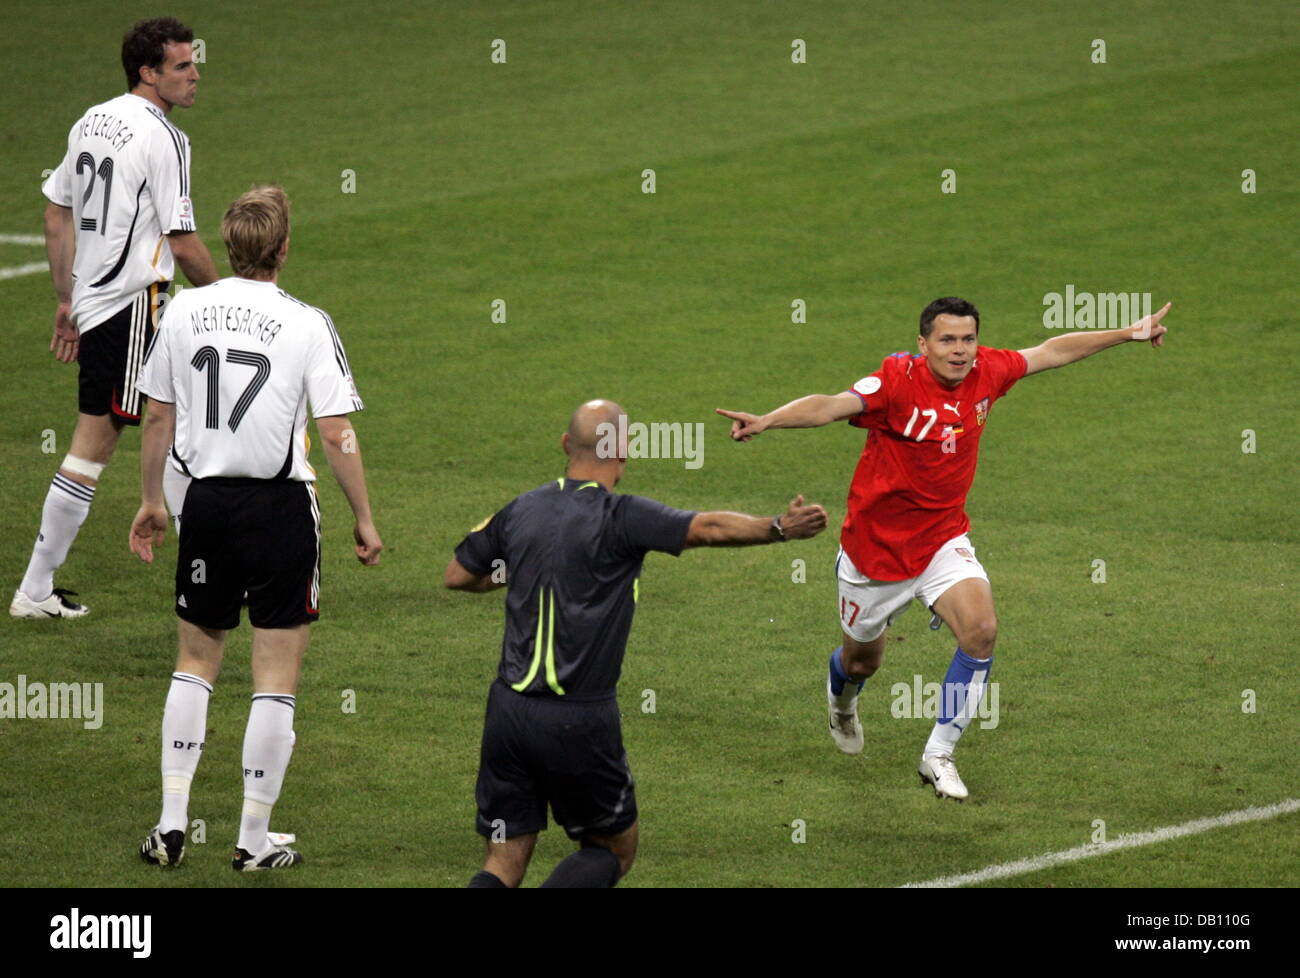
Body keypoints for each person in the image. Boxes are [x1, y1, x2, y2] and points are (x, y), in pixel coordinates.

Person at [716, 296, 1171, 801]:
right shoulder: (895, 382)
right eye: (947, 340)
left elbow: (1051, 351)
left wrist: (1127, 333)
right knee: (862, 662)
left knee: (981, 630)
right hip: (876, 553)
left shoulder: (989, 370)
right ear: (923, 344)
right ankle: (841, 700)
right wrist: (767, 420)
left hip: (942, 538)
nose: (960, 351)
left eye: (968, 339)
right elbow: (830, 404)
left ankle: (939, 753)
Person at [446, 399, 828, 887]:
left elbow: (459, 574)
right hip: (578, 718)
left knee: (502, 859)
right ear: (624, 451)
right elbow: (707, 528)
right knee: (612, 849)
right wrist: (779, 527)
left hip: (507, 713)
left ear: (566, 445)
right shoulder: (623, 517)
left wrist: (527, 568)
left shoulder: (522, 507)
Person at [129, 185, 383, 871]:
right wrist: (363, 517)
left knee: (195, 662)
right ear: (284, 246)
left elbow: (156, 415)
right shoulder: (306, 322)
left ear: (230, 243)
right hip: (277, 512)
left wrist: (153, 500)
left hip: (204, 507)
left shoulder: (183, 310)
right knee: (274, 677)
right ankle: (251, 839)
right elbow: (335, 432)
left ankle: (171, 825)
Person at [12, 17, 220, 620]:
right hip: (134, 308)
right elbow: (182, 244)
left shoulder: (90, 119)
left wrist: (65, 301)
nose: (195, 74)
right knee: (106, 444)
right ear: (148, 73)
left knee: (180, 420)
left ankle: (201, 567)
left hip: (98, 304)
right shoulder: (165, 139)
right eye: (182, 66)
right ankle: (36, 589)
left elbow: (56, 212)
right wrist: (235, 296)